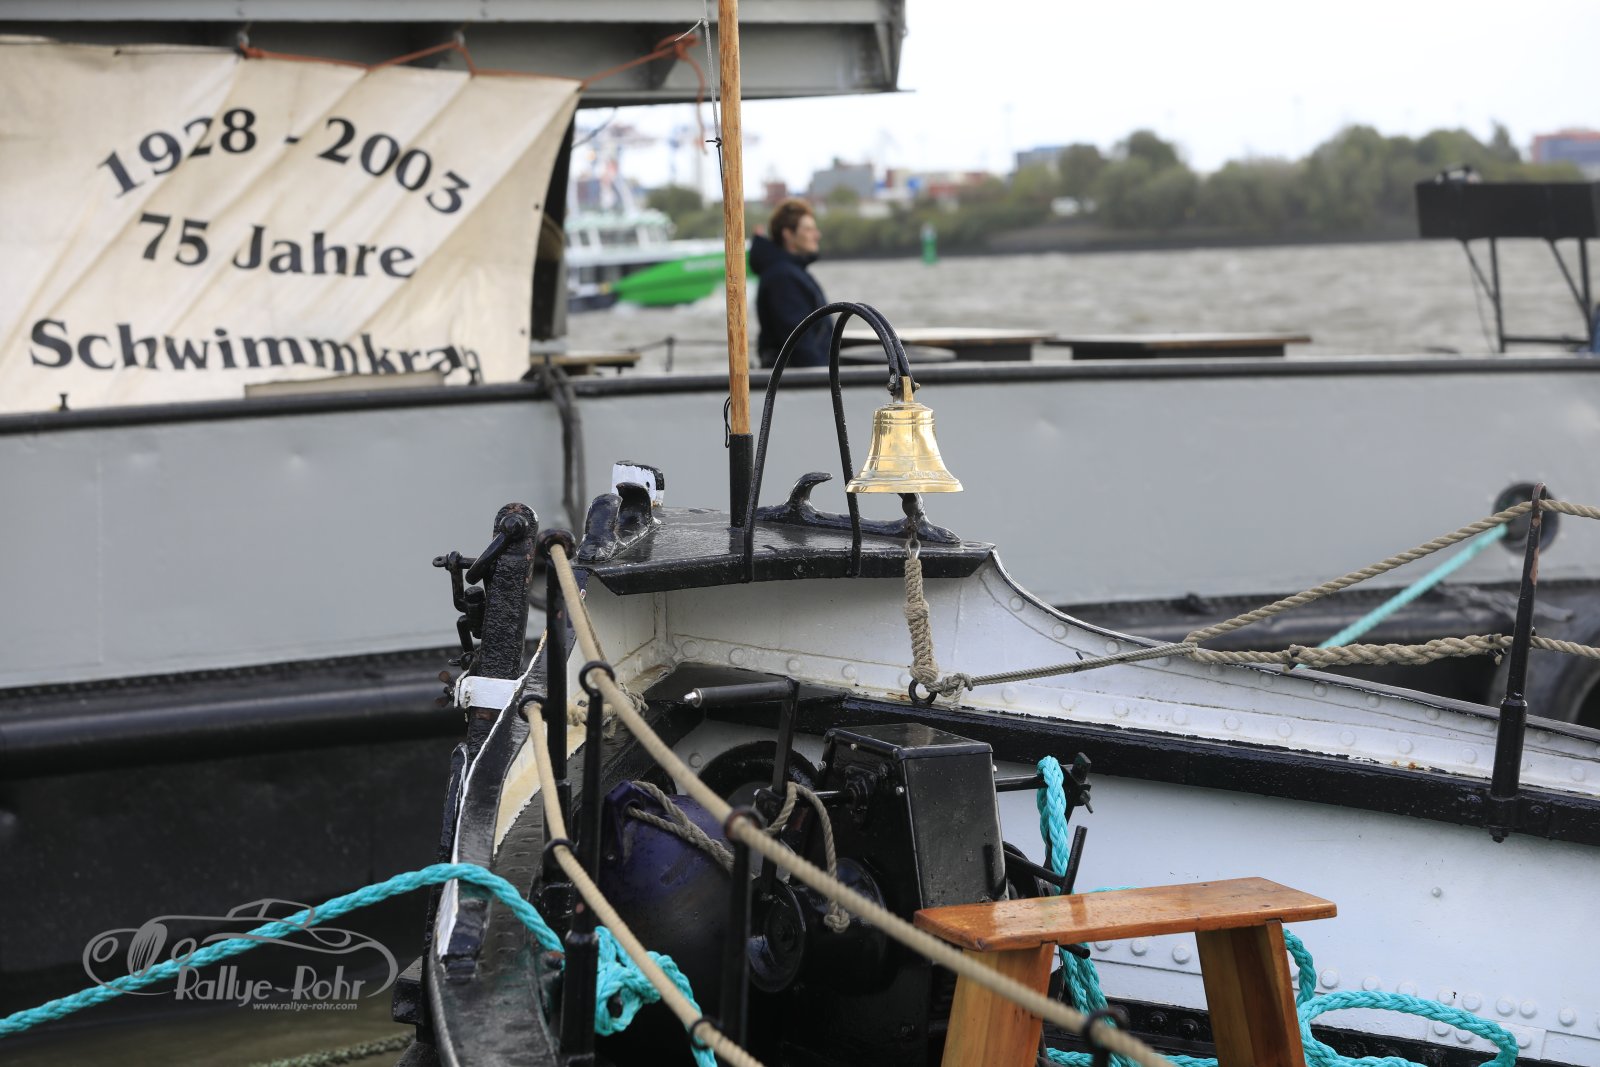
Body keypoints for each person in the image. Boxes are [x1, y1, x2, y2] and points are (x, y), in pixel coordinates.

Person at [751, 198, 830, 367]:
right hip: (797, 378)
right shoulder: (782, 277)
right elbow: (799, 342)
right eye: (808, 229)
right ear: (788, 234)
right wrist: (822, 377)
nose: (817, 235)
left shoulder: (791, 272)